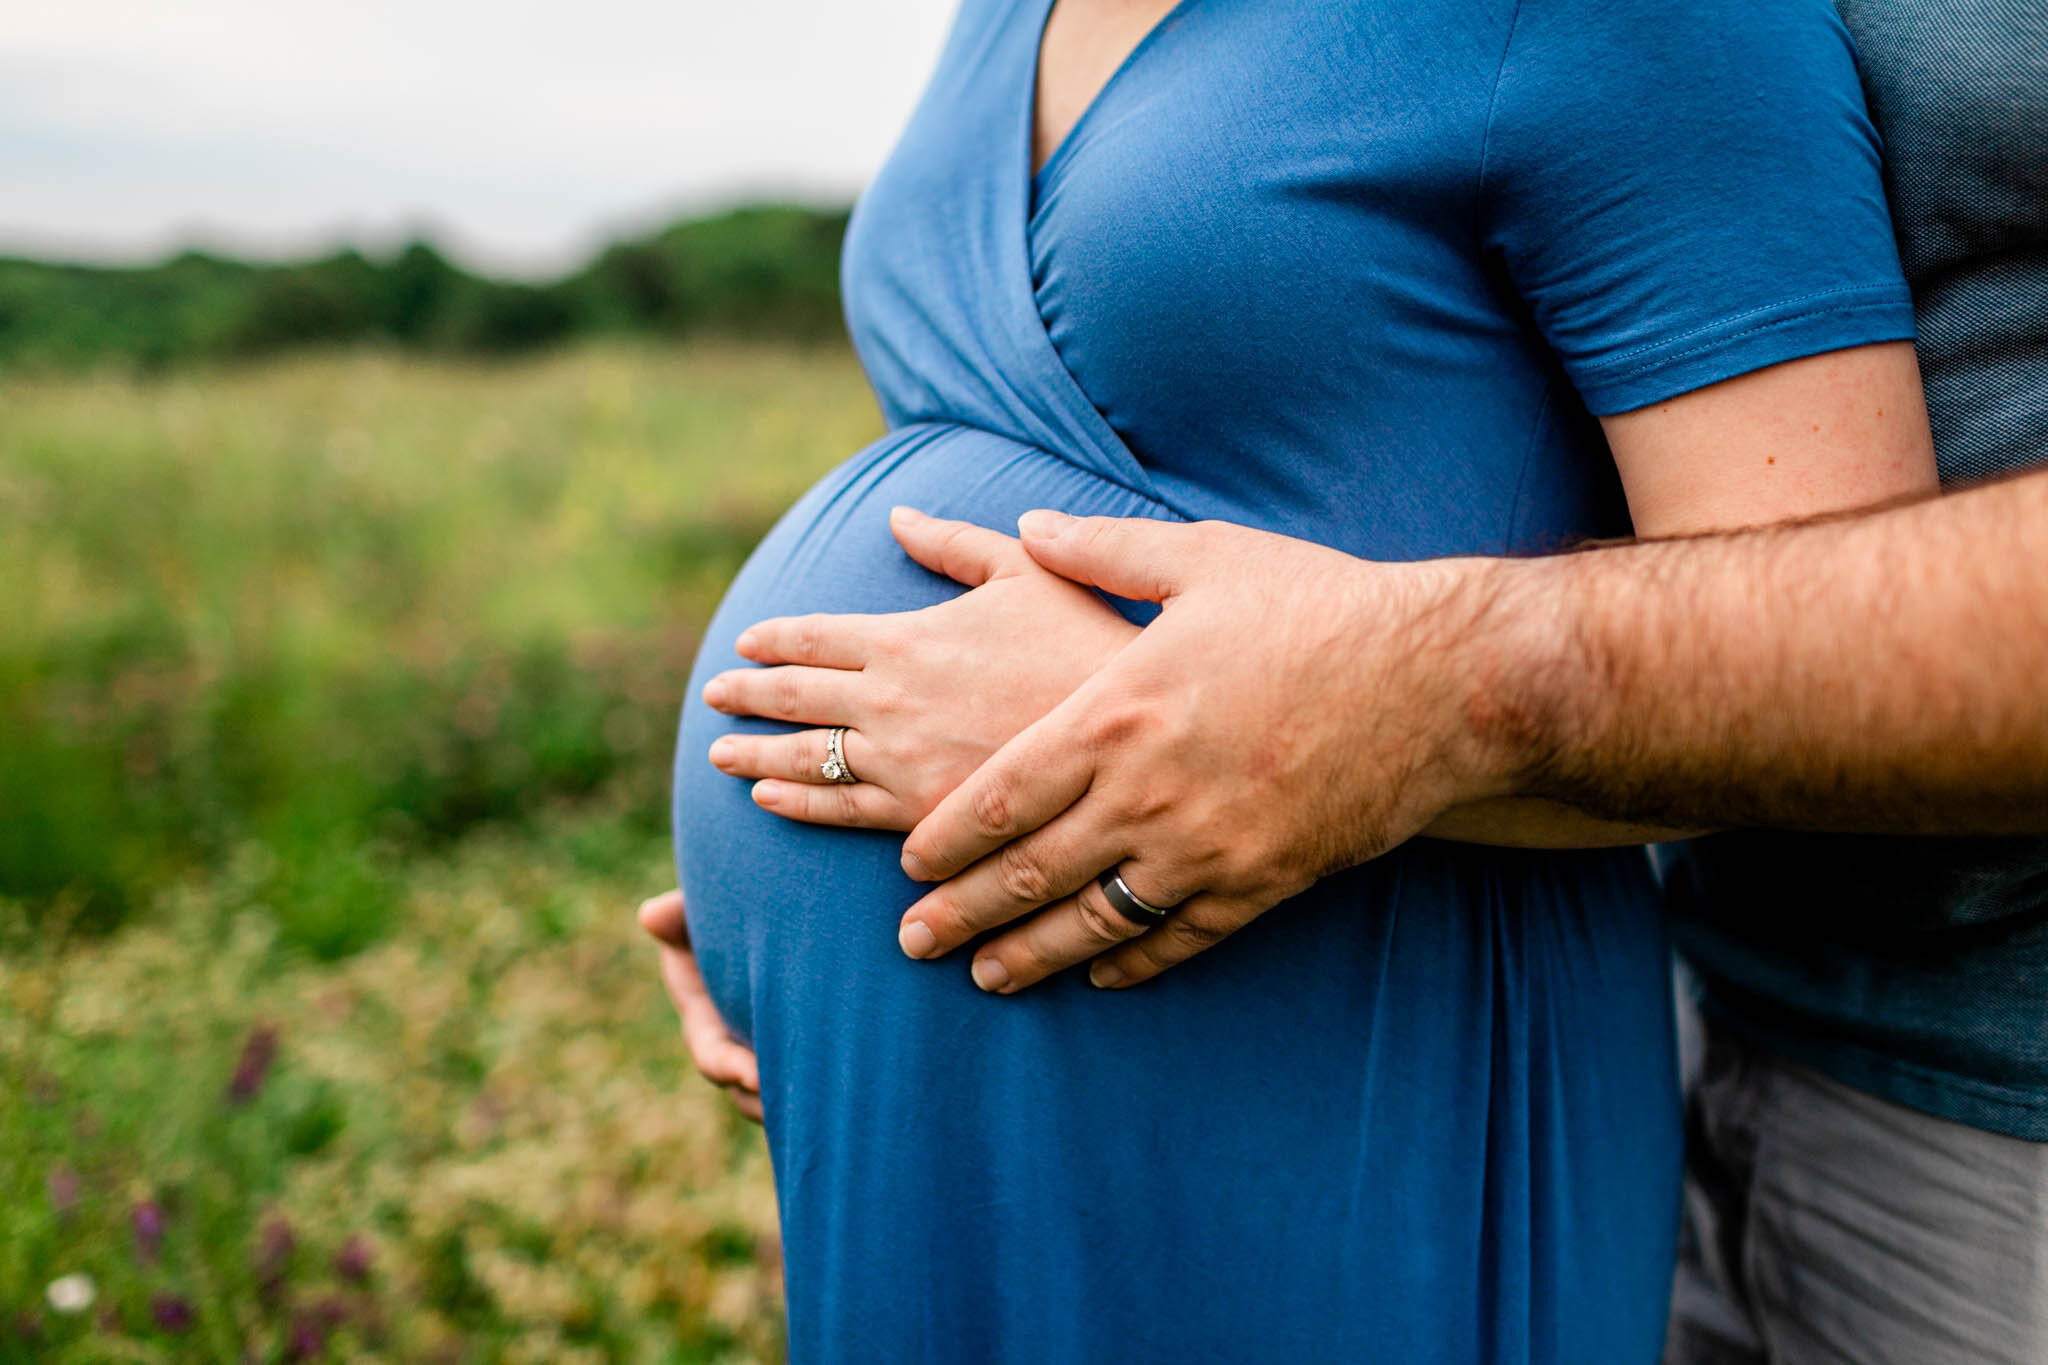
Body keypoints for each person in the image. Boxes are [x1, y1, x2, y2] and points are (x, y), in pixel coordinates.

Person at [652, 2, 2048, 1359]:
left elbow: (1783, 627)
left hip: (1351, 1044)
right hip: (955, 1071)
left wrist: (1373, 698)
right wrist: (776, 855)